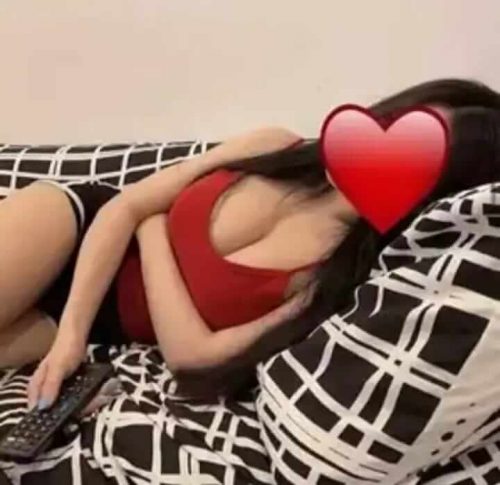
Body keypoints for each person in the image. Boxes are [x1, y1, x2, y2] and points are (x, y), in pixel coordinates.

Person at [0, 79, 499, 410]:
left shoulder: (336, 279)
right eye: (395, 125)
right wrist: (70, 339)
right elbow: (123, 207)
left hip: (106, 327)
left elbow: (194, 357)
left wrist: (152, 233)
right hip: (74, 231)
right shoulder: (273, 146)